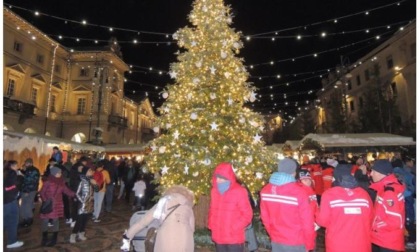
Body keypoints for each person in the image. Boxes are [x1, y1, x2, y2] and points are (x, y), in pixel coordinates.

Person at [260, 158, 315, 252]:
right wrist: (309, 244)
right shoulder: (299, 192)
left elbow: (265, 218)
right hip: (296, 241)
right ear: (294, 172)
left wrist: (273, 234)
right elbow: (307, 222)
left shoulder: (265, 190)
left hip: (276, 239)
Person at [316, 164, 373, 252]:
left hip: (337, 245)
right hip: (361, 244)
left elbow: (322, 221)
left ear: (335, 178)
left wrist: (316, 211)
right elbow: (371, 219)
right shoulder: (364, 194)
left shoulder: (329, 195)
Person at [121, 185, 195, 252]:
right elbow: (192, 228)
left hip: (167, 235)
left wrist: (127, 235)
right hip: (186, 238)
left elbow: (143, 222)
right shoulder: (188, 206)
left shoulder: (164, 201)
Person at [208, 162, 253, 252]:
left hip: (233, 238)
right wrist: (212, 224)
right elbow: (212, 210)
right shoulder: (214, 191)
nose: (217, 180)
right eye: (217, 177)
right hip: (219, 236)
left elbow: (247, 214)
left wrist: (234, 228)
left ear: (227, 177)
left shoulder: (239, 191)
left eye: (221, 177)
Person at [370, 159, 405, 252]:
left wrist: (375, 226)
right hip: (384, 239)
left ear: (381, 173)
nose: (371, 174)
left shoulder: (388, 192)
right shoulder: (384, 188)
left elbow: (395, 221)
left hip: (388, 241)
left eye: (373, 171)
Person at [39, 166, 75, 247]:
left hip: (58, 203)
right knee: (45, 220)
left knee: (55, 220)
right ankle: (44, 238)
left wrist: (74, 194)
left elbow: (66, 190)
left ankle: (54, 238)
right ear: (54, 173)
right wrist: (46, 200)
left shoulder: (61, 182)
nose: (60, 174)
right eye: (59, 173)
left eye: (60, 172)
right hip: (49, 204)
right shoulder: (48, 182)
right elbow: (42, 192)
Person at [70, 166, 98, 243]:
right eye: (89, 170)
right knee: (79, 220)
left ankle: (81, 234)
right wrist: (82, 201)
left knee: (85, 221)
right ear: (85, 172)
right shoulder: (81, 180)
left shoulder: (91, 180)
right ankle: (73, 235)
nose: (91, 172)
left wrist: (95, 184)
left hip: (89, 204)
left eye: (91, 170)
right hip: (82, 205)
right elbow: (77, 193)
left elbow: (97, 190)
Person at [4, 160, 24, 249]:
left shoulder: (5, 172)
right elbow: (15, 184)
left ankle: (12, 241)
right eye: (16, 165)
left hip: (5, 199)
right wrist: (20, 176)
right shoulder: (12, 173)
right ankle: (12, 241)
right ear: (12, 166)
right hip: (10, 199)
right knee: (12, 220)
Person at [19, 158, 40, 228]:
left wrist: (26, 191)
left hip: (28, 190)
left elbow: (28, 181)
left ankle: (28, 220)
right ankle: (27, 219)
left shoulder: (30, 170)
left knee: (26, 205)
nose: (25, 164)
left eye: (26, 163)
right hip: (32, 190)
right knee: (28, 204)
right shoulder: (34, 170)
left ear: (30, 163)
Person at [69, 156, 89, 227]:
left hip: (72, 188)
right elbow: (81, 177)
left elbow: (71, 177)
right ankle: (75, 220)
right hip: (79, 189)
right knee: (78, 206)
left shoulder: (73, 166)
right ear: (84, 162)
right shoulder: (81, 167)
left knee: (74, 205)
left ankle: (72, 219)